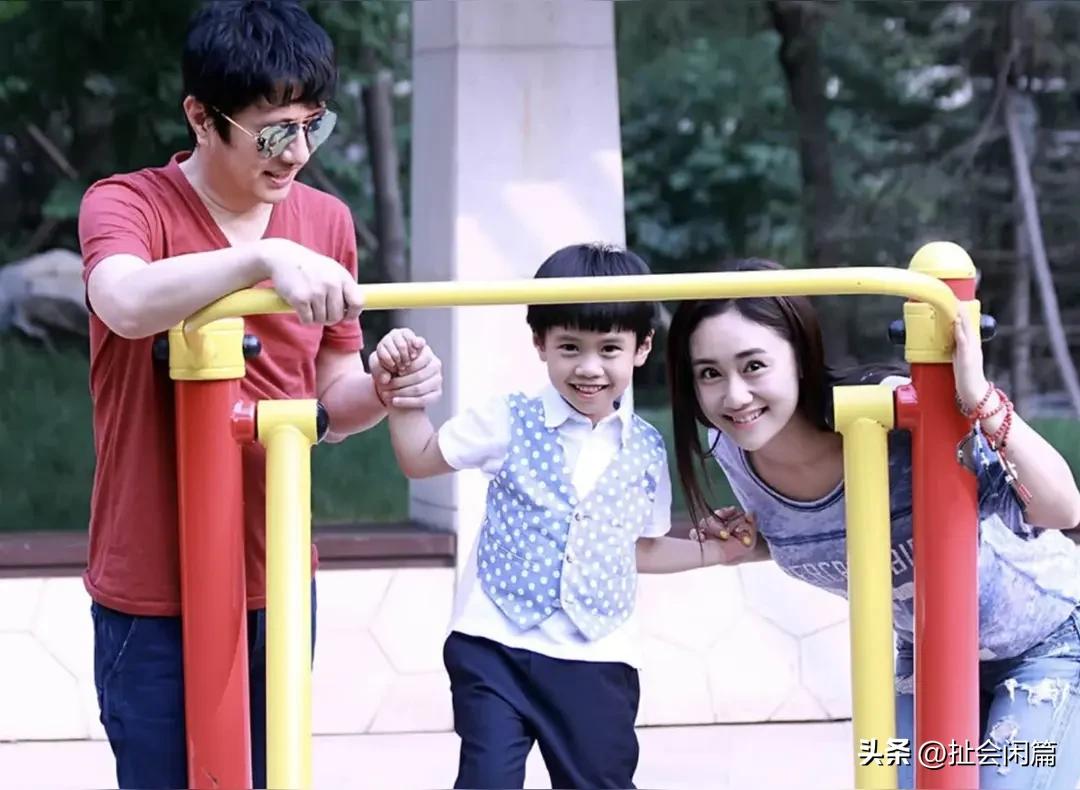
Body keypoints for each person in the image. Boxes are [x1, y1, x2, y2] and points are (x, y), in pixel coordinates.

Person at [77, 1, 441, 787]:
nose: (298, 154)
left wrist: (384, 389)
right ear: (201, 117)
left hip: (272, 575)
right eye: (275, 133)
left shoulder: (327, 221)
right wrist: (260, 261)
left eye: (315, 126)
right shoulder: (128, 203)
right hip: (151, 587)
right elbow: (125, 302)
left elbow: (329, 399)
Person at [667, 257, 1080, 790]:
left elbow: (1063, 509)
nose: (734, 395)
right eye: (709, 373)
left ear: (800, 356)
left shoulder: (892, 418)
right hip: (928, 653)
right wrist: (751, 542)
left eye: (753, 366)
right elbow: (836, 533)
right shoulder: (732, 448)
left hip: (1049, 641)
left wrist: (977, 398)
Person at [371, 242, 757, 790]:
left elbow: (639, 549)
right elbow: (420, 458)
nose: (589, 367)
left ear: (642, 347)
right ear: (540, 344)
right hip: (493, 647)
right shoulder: (508, 419)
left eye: (610, 348)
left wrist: (716, 551)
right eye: (570, 347)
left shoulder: (646, 449)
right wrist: (404, 396)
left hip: (597, 658)